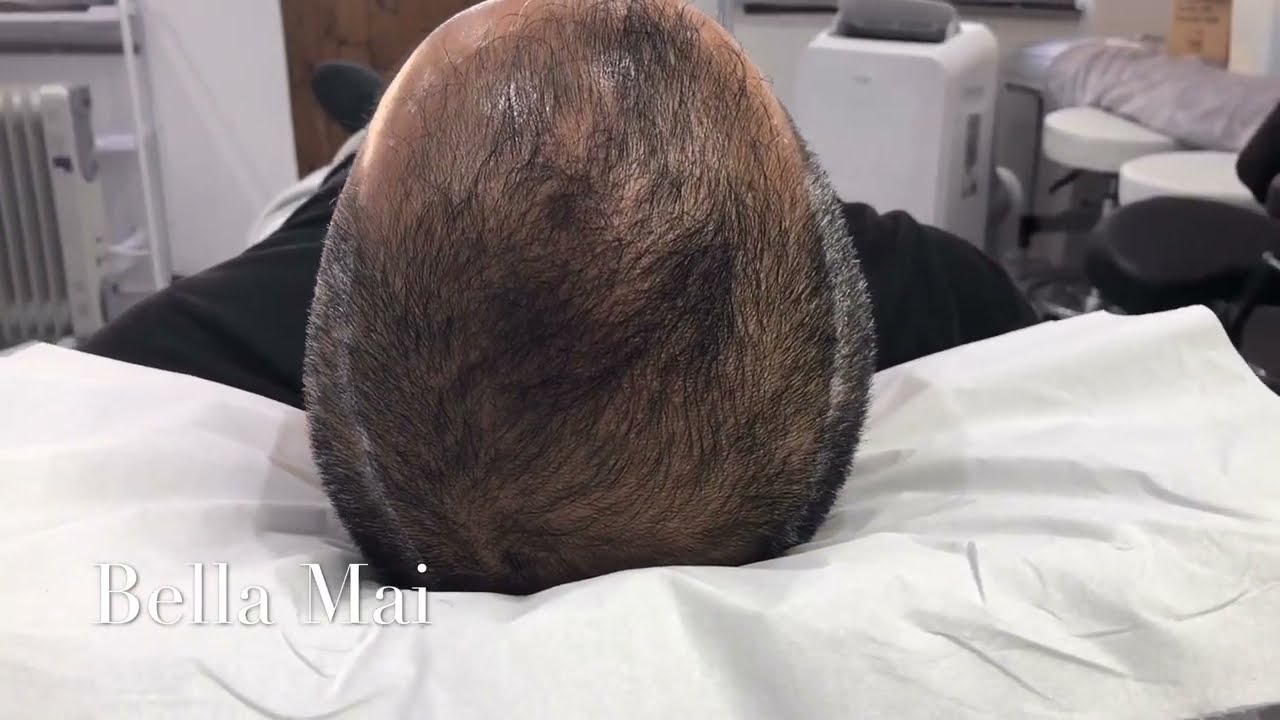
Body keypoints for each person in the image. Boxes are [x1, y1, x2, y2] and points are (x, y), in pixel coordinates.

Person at [81, 0, 1036, 595]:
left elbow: (95, 390)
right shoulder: (926, 283)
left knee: (362, 145)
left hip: (367, 206)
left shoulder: (222, 325)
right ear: (803, 190)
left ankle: (371, 124)